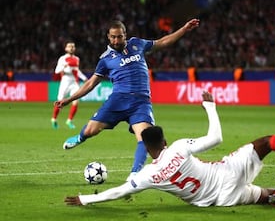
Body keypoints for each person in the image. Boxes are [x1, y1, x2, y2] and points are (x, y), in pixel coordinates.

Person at [64, 91, 275, 207]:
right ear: (164, 142)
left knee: (259, 196)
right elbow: (216, 137)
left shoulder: (148, 174)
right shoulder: (179, 147)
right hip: (225, 174)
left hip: (217, 200)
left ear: (148, 151)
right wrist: (210, 106)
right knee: (266, 142)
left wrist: (86, 199)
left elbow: (119, 191)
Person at [55, 19, 200, 179]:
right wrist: (68, 100)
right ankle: (80, 137)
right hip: (117, 100)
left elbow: (163, 42)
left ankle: (134, 175)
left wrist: (184, 29)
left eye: (119, 37)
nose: (116, 40)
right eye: (113, 37)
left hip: (141, 102)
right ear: (108, 37)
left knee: (144, 138)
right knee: (90, 130)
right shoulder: (105, 59)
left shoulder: (137, 44)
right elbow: (90, 84)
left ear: (125, 35)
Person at [51, 41, 88, 129]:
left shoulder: (77, 59)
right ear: (66, 49)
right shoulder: (62, 59)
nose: (71, 48)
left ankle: (69, 120)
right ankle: (54, 119)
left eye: (73, 46)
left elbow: (77, 71)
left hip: (74, 82)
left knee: (76, 101)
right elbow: (56, 71)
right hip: (65, 81)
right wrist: (64, 65)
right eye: (69, 46)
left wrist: (84, 78)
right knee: (60, 101)